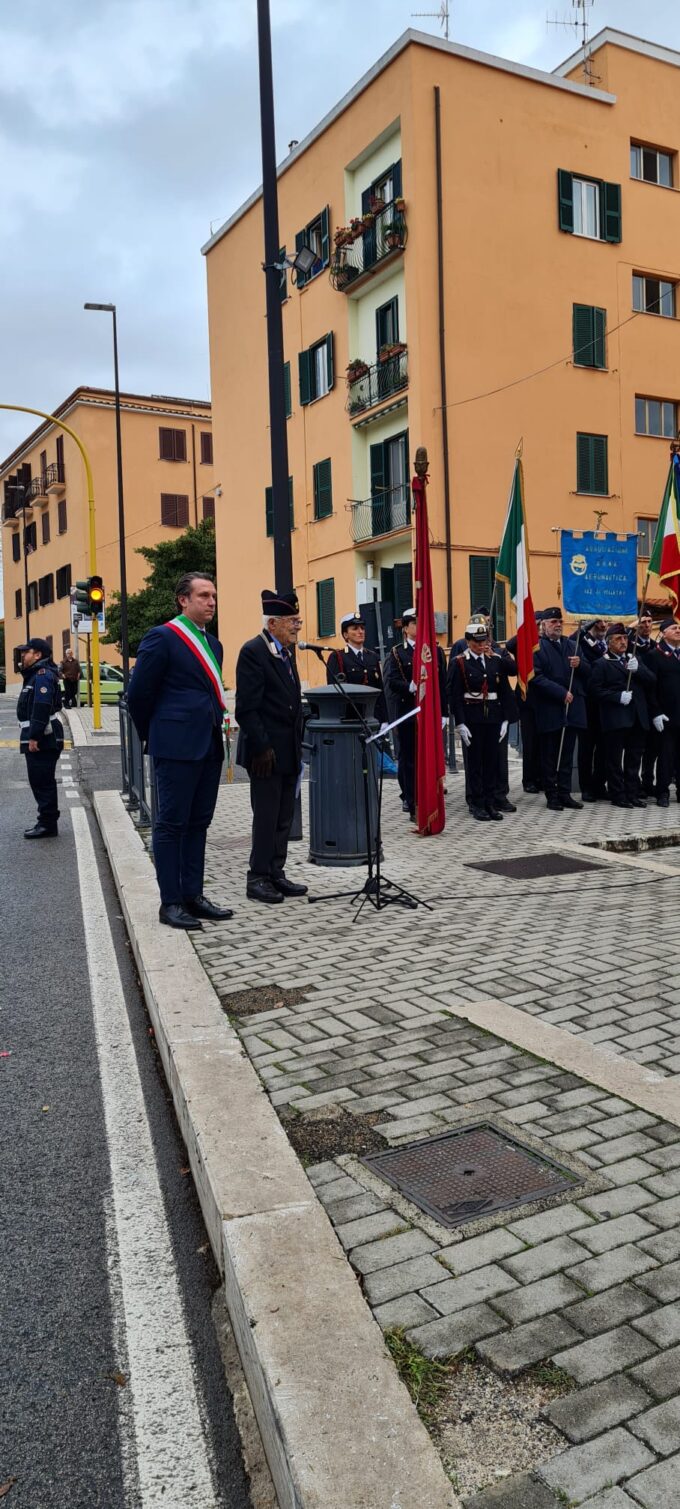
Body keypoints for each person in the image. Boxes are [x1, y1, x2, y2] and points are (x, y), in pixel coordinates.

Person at [127, 572, 233, 930]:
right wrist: (156, 735)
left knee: (199, 823)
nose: (211, 602)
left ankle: (193, 895)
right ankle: (170, 902)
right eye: (203, 595)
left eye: (214, 596)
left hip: (208, 746)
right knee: (171, 825)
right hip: (175, 747)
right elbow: (139, 695)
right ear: (183, 600)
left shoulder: (214, 645)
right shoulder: (162, 638)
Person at [235, 589, 307, 905]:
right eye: (293, 621)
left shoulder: (286, 652)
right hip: (266, 752)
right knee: (265, 816)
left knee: (283, 817)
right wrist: (262, 748)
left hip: (288, 749)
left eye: (298, 620)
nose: (297, 626)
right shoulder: (253, 651)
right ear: (274, 622)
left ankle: (276, 872)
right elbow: (247, 708)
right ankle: (258, 877)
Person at [383, 608, 447, 819]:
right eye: (416, 623)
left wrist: (444, 713)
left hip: (429, 712)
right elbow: (391, 681)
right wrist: (408, 686)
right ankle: (410, 800)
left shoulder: (434, 651)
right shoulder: (396, 652)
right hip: (408, 711)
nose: (420, 628)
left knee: (429, 755)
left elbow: (441, 684)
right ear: (406, 627)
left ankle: (429, 796)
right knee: (409, 757)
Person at [448, 621, 514, 822]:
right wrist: (460, 723)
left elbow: (504, 690)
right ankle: (476, 803)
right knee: (475, 762)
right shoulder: (459, 662)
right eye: (476, 642)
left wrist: (505, 719)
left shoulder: (495, 660)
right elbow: (454, 694)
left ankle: (490, 802)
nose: (480, 645)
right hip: (472, 717)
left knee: (492, 761)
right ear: (468, 642)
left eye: (483, 640)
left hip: (493, 716)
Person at [589, 622, 658, 808]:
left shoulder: (634, 659)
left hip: (637, 717)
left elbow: (652, 680)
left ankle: (632, 793)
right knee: (614, 760)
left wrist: (638, 670)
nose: (623, 642)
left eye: (625, 638)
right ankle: (618, 794)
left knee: (634, 759)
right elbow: (595, 691)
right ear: (609, 642)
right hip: (616, 717)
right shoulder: (601, 663)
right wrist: (617, 696)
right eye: (618, 639)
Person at [530, 606, 589, 811]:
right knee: (549, 755)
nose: (557, 625)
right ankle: (552, 794)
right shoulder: (537, 647)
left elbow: (589, 672)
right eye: (553, 622)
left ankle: (565, 793)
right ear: (543, 625)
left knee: (567, 753)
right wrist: (560, 693)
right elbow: (537, 677)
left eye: (559, 622)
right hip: (550, 708)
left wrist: (580, 664)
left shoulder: (573, 646)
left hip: (571, 710)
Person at [16, 637, 64, 839]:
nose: (22, 656)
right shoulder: (35, 675)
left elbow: (42, 707)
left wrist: (34, 736)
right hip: (40, 734)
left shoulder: (42, 676)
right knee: (40, 780)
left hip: (44, 736)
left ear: (37, 655)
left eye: (26, 652)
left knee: (42, 781)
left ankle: (47, 824)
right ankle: (47, 821)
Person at [326, 612, 387, 722]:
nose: (360, 632)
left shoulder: (373, 657)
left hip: (373, 716)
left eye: (362, 628)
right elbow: (335, 691)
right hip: (351, 718)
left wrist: (384, 720)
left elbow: (380, 690)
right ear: (345, 634)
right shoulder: (338, 657)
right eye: (355, 628)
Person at [571, 618, 607, 802]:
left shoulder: (610, 642)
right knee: (587, 748)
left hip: (608, 703)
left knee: (604, 749)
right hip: (589, 703)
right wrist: (583, 628)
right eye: (598, 622)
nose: (602, 626)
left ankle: (600, 784)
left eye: (605, 622)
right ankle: (586, 787)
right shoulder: (582, 642)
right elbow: (572, 640)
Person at [629, 612, 660, 798]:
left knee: (653, 748)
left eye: (650, 622)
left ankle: (648, 780)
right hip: (638, 702)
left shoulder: (655, 647)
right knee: (636, 749)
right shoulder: (631, 647)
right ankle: (635, 784)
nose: (647, 625)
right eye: (643, 622)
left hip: (654, 703)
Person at [650, 617, 680, 807]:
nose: (678, 630)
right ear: (664, 632)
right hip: (666, 716)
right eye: (674, 628)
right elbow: (650, 688)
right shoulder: (655, 655)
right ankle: (662, 792)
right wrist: (656, 712)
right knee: (665, 757)